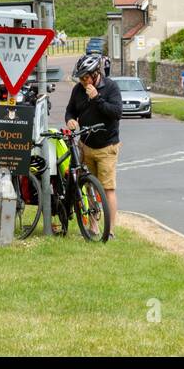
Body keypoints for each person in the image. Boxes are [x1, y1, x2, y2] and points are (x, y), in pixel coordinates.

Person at [65, 53, 122, 238]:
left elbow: (116, 113)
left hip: (107, 147)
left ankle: (111, 230)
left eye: (86, 77)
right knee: (88, 186)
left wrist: (97, 98)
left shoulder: (111, 87)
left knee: (107, 188)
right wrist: (71, 120)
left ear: (96, 73)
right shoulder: (78, 90)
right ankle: (93, 226)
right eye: (80, 78)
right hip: (85, 145)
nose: (83, 81)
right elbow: (70, 110)